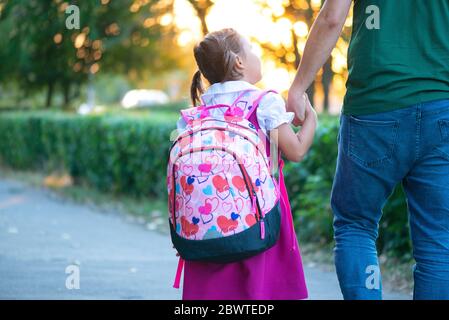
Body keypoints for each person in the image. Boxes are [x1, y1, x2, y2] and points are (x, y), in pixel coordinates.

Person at [287, 0, 449, 299]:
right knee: (439, 240)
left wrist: (299, 87)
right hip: (442, 105)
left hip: (375, 105)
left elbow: (332, 17)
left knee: (356, 225)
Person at [175, 28, 317, 300]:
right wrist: (311, 120)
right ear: (239, 62)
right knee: (259, 289)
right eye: (251, 49)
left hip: (205, 225)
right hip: (259, 215)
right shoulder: (264, 103)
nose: (256, 54)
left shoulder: (192, 116)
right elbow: (296, 151)